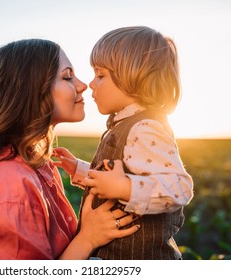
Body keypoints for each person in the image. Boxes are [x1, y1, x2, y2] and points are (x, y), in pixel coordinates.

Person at [0, 39, 140, 260]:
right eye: (67, 76)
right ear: (32, 91)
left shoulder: (38, 163)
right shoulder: (12, 184)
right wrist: (88, 238)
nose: (82, 85)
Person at [53, 26, 194, 259]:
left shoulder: (145, 127)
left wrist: (124, 189)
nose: (90, 84)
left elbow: (179, 187)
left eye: (100, 75)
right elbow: (125, 170)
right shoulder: (124, 124)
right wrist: (81, 169)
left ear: (132, 76)